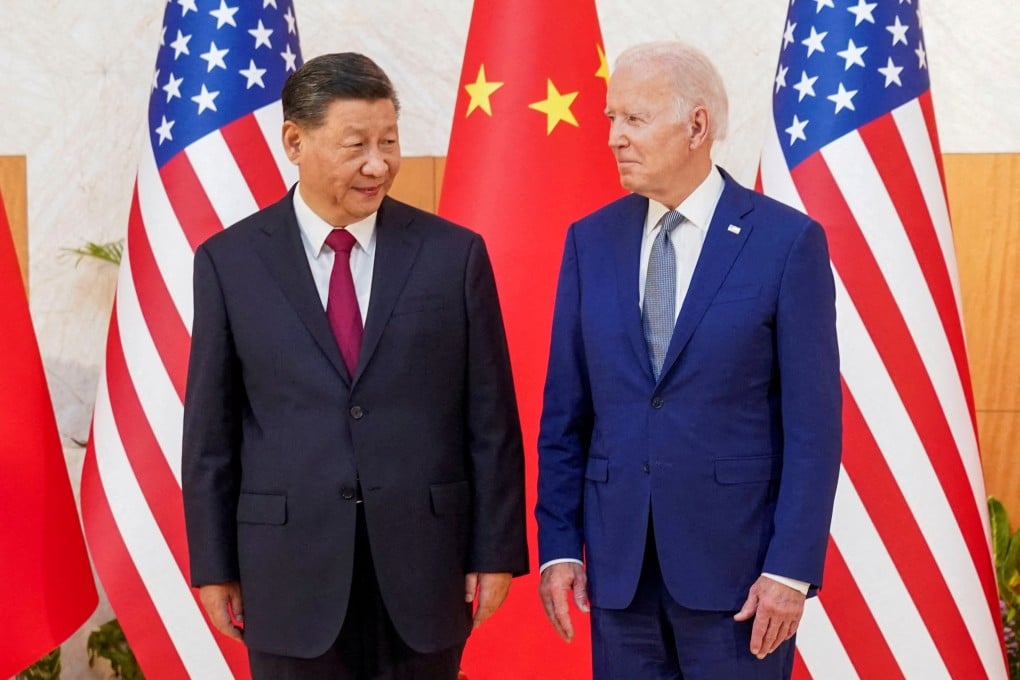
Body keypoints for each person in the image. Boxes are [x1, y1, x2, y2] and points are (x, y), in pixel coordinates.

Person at [182, 52, 528, 680]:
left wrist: (495, 552)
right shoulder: (228, 263)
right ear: (295, 140)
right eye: (357, 144)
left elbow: (491, 421)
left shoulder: (454, 256)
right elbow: (211, 434)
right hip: (287, 572)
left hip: (427, 569)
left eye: (389, 140)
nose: (379, 163)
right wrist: (213, 566)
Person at [535, 41, 841, 679]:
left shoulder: (786, 243)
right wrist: (559, 544)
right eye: (610, 119)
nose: (615, 137)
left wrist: (789, 569)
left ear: (697, 126)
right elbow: (566, 411)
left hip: (740, 582)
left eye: (635, 120)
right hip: (619, 577)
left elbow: (814, 429)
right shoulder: (590, 240)